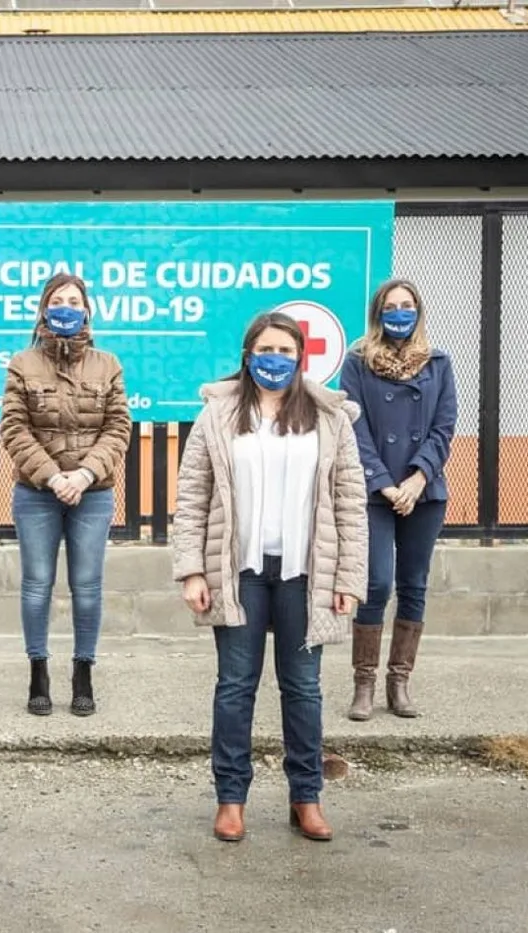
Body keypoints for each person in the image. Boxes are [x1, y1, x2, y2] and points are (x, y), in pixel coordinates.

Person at [171, 310, 367, 844]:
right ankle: (231, 799)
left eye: (285, 351)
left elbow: (350, 501)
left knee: (303, 689)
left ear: (301, 357)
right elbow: (192, 496)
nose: (275, 360)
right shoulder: (218, 414)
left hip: (309, 575)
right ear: (247, 354)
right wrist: (191, 569)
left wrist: (349, 577)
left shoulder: (330, 417)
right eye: (266, 350)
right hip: (240, 573)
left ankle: (306, 797)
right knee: (235, 687)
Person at [0, 272, 131, 717]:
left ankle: (83, 673)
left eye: (75, 301)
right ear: (43, 310)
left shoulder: (108, 364)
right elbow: (14, 428)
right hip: (37, 491)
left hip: (93, 492)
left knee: (87, 587)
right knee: (37, 585)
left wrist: (85, 474)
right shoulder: (22, 363)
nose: (67, 308)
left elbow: (118, 428)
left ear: (88, 310)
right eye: (58, 301)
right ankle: (38, 671)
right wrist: (54, 476)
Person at [340, 279, 457, 720]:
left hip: (423, 493)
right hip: (375, 491)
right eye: (391, 306)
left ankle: (399, 683)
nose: (399, 313)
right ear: (378, 313)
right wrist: (386, 483)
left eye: (407, 306)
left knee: (414, 585)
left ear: (418, 311)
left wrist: (416, 479)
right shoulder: (357, 363)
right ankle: (363, 684)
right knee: (376, 582)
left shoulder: (439, 364)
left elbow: (444, 428)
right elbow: (354, 426)